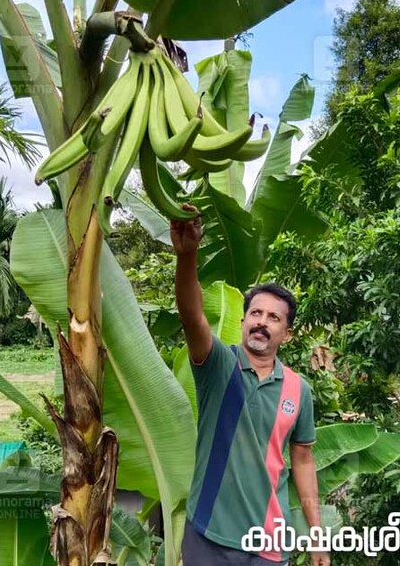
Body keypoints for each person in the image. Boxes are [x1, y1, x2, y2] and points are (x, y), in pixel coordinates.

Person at [170, 205, 328, 566]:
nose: (262, 322)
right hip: (209, 534)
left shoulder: (297, 389)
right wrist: (187, 255)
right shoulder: (218, 365)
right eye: (255, 313)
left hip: (269, 543)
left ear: (286, 335)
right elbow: (191, 315)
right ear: (242, 321)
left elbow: (302, 462)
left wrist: (316, 535)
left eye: (274, 318)